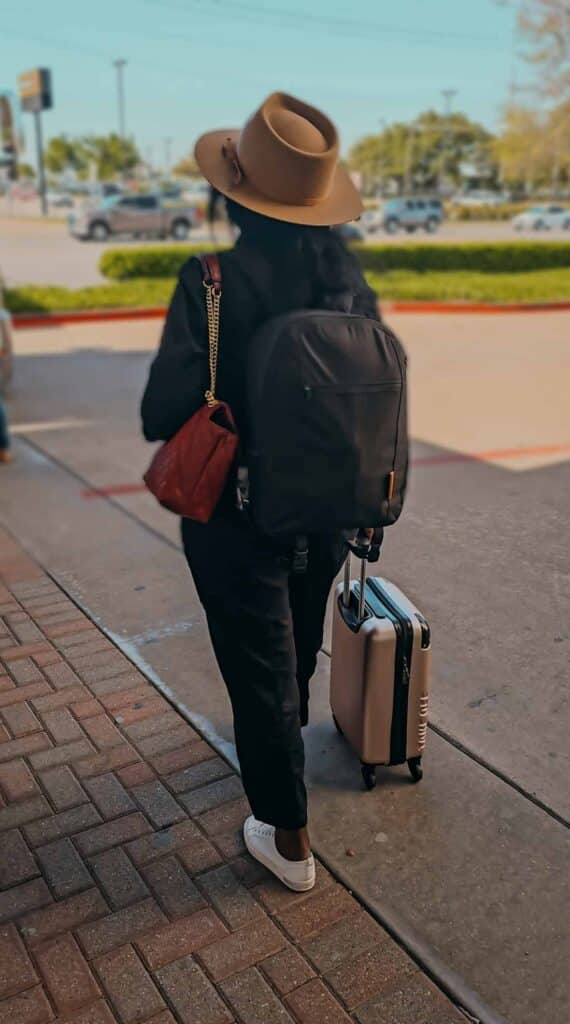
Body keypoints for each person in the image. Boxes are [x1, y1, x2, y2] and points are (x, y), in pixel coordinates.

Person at [141, 93, 378, 891]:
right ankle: (284, 757)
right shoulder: (351, 286)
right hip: (330, 513)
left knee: (259, 669)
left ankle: (289, 839)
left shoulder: (212, 282)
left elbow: (159, 412)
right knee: (291, 649)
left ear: (235, 195)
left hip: (237, 518)